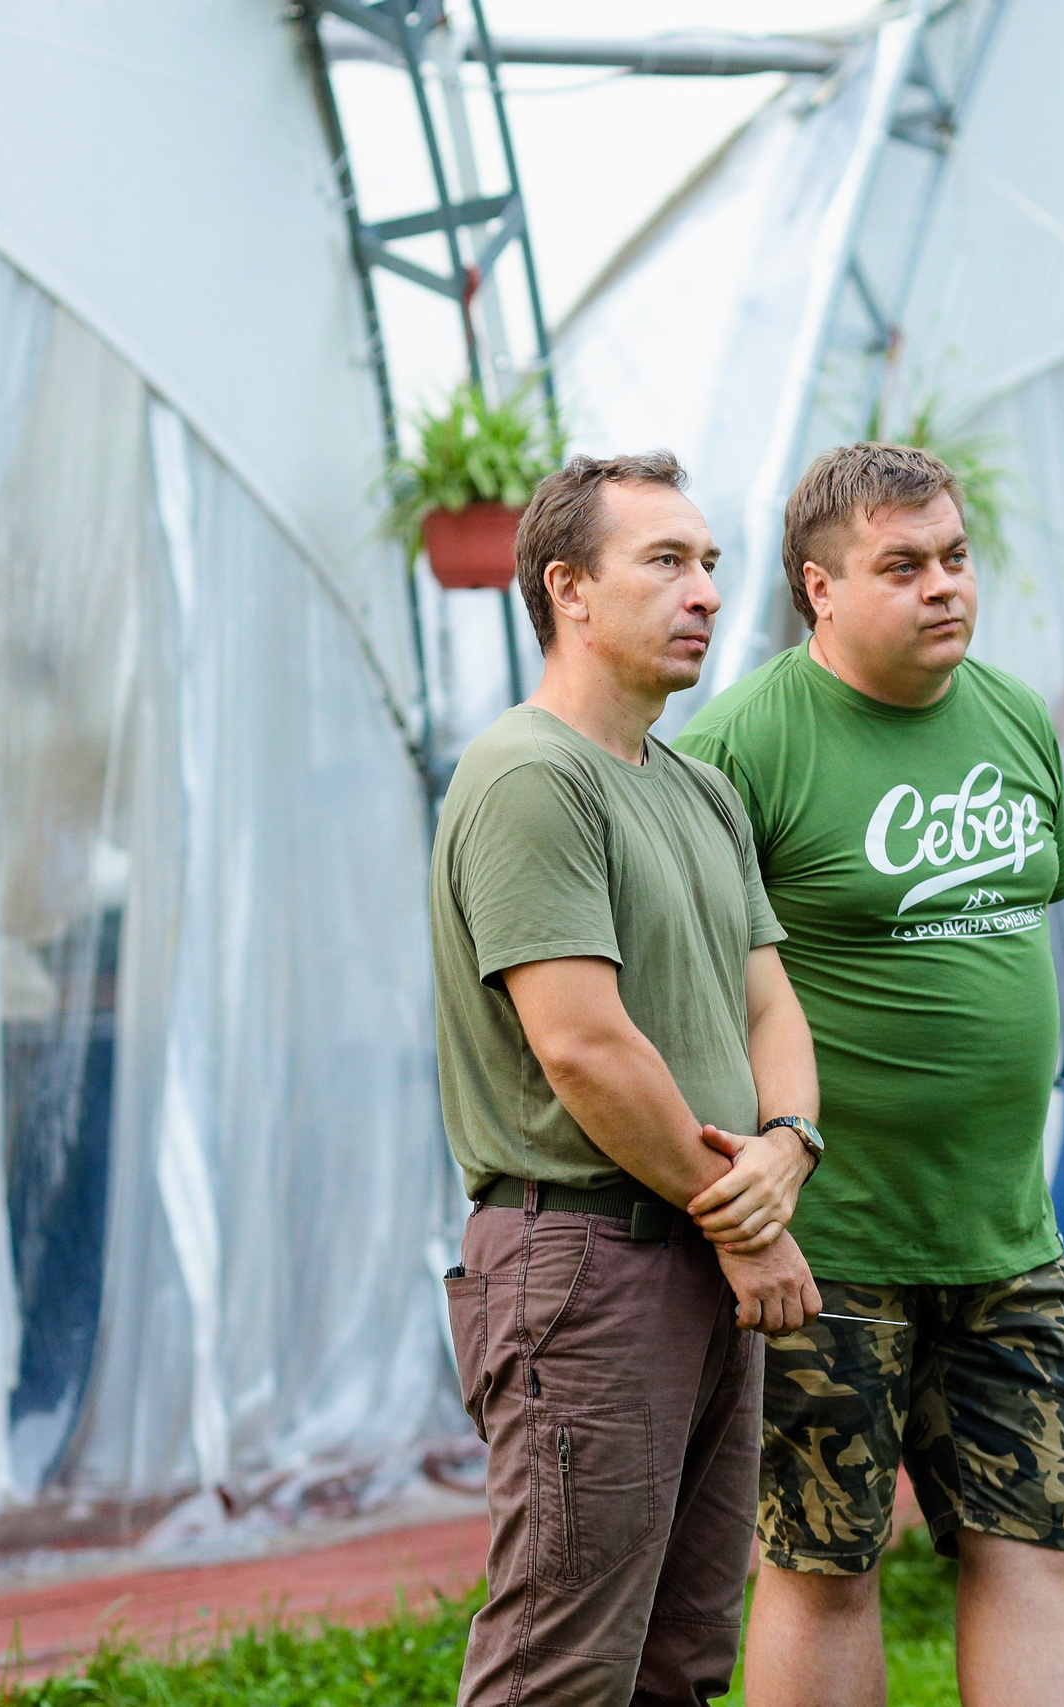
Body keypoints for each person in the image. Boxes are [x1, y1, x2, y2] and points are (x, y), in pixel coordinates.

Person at [677, 442, 1064, 1707]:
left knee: (1033, 1552)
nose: (943, 590)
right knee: (823, 1564)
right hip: (829, 1250)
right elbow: (689, 993)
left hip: (1005, 1236)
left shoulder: (1017, 716)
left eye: (955, 560)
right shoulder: (736, 749)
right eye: (902, 566)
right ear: (818, 587)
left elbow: (1016, 933)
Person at [432, 451, 826, 1706]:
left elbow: (769, 999)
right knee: (561, 1667)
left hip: (695, 1248)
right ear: (570, 589)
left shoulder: (699, 789)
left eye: (709, 561)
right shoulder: (529, 776)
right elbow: (583, 1044)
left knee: (677, 1664)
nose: (705, 589)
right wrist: (747, 1225)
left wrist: (789, 1145)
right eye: (666, 560)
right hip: (588, 1260)